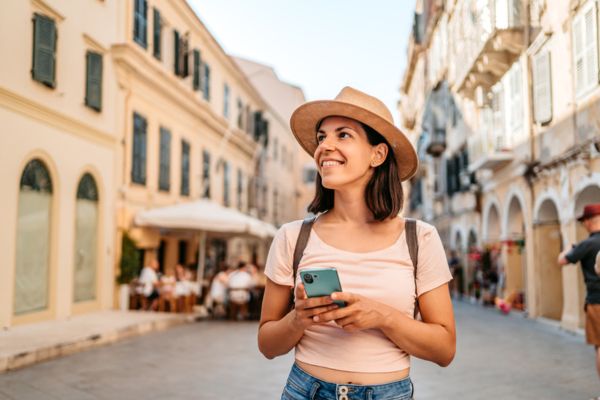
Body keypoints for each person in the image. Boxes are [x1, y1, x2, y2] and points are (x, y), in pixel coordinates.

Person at [258, 87, 455, 399]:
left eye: (343, 135)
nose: (325, 146)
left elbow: (444, 350)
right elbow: (267, 344)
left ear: (377, 154)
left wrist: (383, 316)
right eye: (322, 137)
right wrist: (298, 318)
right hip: (305, 391)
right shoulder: (292, 237)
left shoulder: (420, 238)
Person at [558, 203, 600, 382]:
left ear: (590, 222)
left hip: (597, 301)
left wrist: (569, 247)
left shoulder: (587, 244)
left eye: (584, 221)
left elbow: (561, 260)